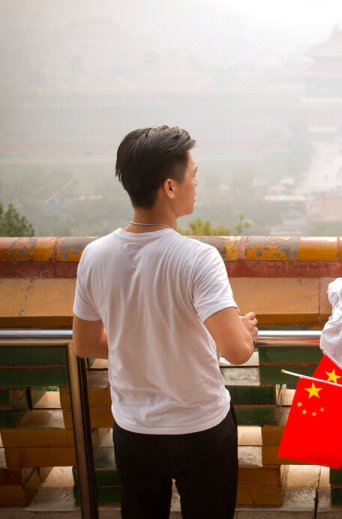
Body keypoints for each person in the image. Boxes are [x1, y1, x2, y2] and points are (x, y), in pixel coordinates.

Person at [72, 126, 258, 518]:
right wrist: (242, 330)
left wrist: (135, 343)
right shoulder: (198, 258)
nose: (197, 183)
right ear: (170, 187)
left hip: (135, 429)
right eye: (194, 175)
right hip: (201, 427)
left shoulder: (95, 255)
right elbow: (238, 351)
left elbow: (85, 343)